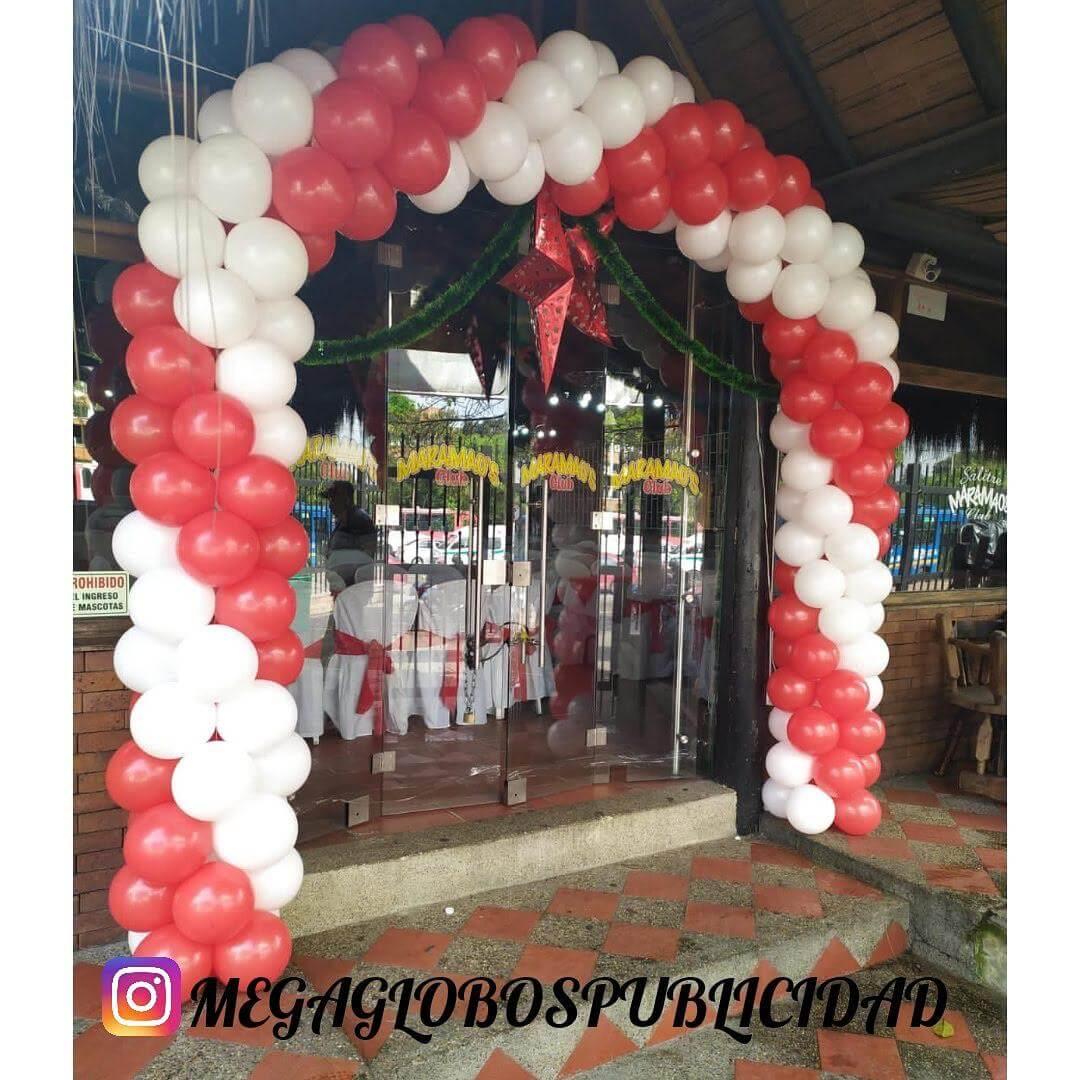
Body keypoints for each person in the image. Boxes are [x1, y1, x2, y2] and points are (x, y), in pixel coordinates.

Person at [321, 481, 377, 588]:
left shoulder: (359, 519)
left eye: (333, 499)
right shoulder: (342, 520)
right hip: (343, 585)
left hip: (354, 588)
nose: (330, 504)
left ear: (345, 500)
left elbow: (367, 551)